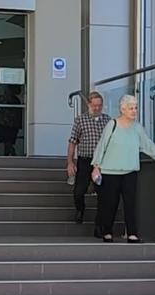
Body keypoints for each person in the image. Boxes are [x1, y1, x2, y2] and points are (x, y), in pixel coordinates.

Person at [91, 95, 155, 243]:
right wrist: (96, 166)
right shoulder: (113, 124)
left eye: (135, 108)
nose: (134, 111)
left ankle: (132, 233)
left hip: (130, 171)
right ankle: (107, 231)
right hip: (110, 171)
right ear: (123, 109)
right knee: (110, 203)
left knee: (131, 203)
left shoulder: (137, 128)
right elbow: (102, 145)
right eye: (131, 108)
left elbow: (147, 144)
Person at [67, 91, 111, 237]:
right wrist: (70, 162)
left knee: (103, 194)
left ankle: (99, 227)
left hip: (102, 162)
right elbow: (73, 142)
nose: (97, 108)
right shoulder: (80, 120)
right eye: (94, 105)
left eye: (100, 105)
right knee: (79, 191)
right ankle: (80, 209)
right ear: (89, 105)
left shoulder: (108, 121)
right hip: (85, 160)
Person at [0, 85, 23, 156]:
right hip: (12, 125)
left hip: (3, 124)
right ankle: (8, 154)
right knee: (7, 142)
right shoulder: (16, 100)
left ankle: (10, 153)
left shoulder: (5, 99)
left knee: (7, 142)